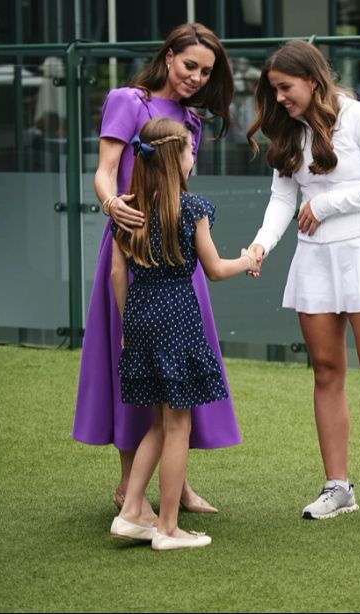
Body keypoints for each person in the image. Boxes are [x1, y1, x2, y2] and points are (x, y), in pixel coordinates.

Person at [245, 40, 360, 522]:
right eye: (273, 90)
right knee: (325, 372)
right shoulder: (287, 130)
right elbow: (282, 199)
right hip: (313, 261)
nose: (278, 98)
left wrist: (324, 205)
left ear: (313, 80)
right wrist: (261, 245)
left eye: (285, 87)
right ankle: (337, 487)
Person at [72, 22, 236, 520]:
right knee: (134, 368)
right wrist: (110, 205)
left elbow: (180, 191)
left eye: (206, 72)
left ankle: (176, 486)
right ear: (168, 57)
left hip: (180, 261)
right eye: (190, 66)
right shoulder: (129, 100)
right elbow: (104, 170)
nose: (196, 78)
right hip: (129, 251)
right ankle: (130, 487)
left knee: (178, 371)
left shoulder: (192, 119)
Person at [108, 118, 256, 551]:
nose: (195, 158)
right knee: (179, 425)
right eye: (192, 151)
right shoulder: (192, 209)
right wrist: (247, 259)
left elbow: (119, 274)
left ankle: (131, 511)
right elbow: (214, 269)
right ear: (178, 159)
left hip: (139, 314)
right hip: (176, 316)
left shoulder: (126, 209)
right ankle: (168, 528)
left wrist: (126, 327)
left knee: (158, 420)